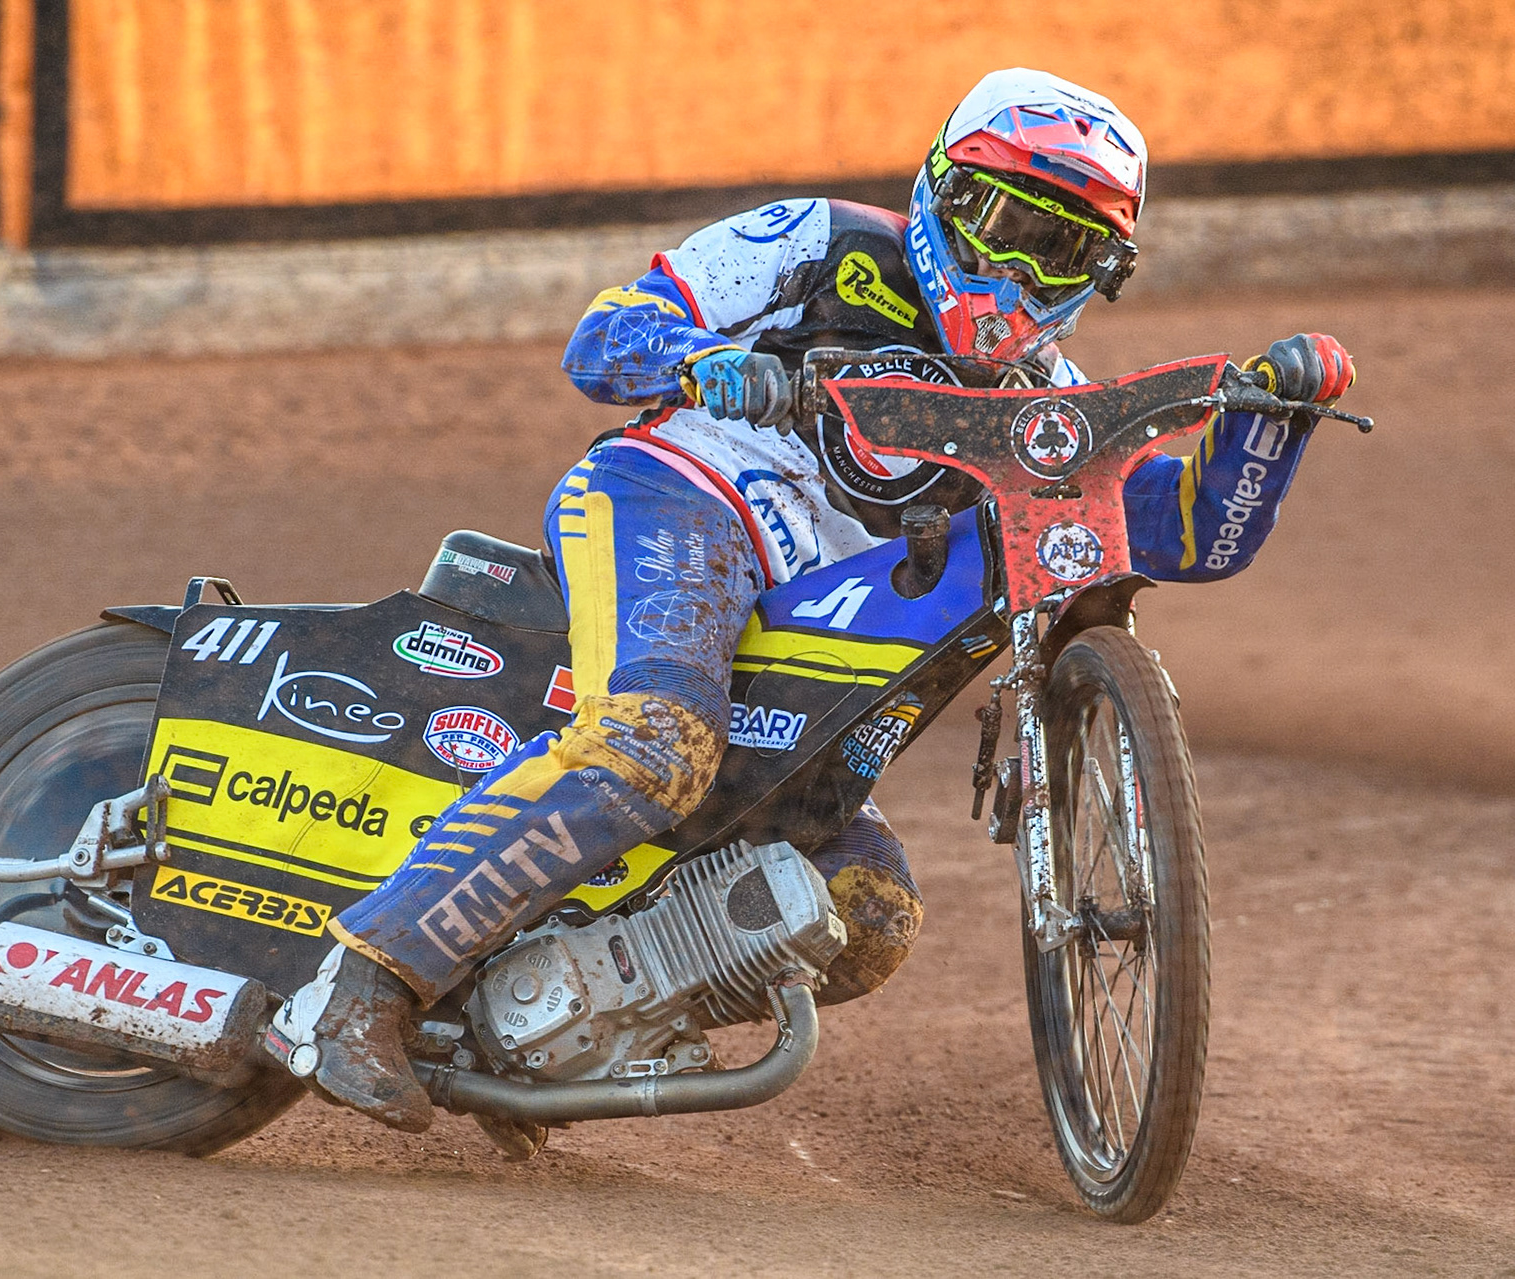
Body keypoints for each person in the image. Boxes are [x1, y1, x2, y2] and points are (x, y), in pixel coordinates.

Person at [265, 68, 1356, 1132]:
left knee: (867, 911)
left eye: (1063, 248)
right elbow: (603, 337)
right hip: (681, 497)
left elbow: (1172, 533)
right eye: (1006, 225)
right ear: (944, 191)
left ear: (1103, 273)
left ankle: (538, 1034)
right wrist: (705, 361)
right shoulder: (821, 241)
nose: (1022, 268)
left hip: (809, 619)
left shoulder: (1043, 409)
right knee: (651, 746)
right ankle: (360, 983)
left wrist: (1267, 420)